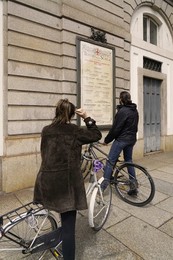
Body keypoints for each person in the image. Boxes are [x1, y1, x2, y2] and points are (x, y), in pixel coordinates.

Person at [33, 99, 102, 260]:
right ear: (71, 114)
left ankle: (55, 237)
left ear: (56, 112)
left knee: (56, 213)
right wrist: (86, 117)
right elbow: (96, 135)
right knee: (69, 228)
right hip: (66, 185)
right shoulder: (74, 131)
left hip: (46, 180)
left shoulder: (46, 130)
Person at [101, 91, 139, 195]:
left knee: (110, 162)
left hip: (122, 140)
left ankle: (102, 187)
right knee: (128, 161)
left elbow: (115, 129)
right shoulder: (134, 110)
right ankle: (133, 185)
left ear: (121, 99)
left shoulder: (122, 111)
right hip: (131, 139)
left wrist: (106, 140)